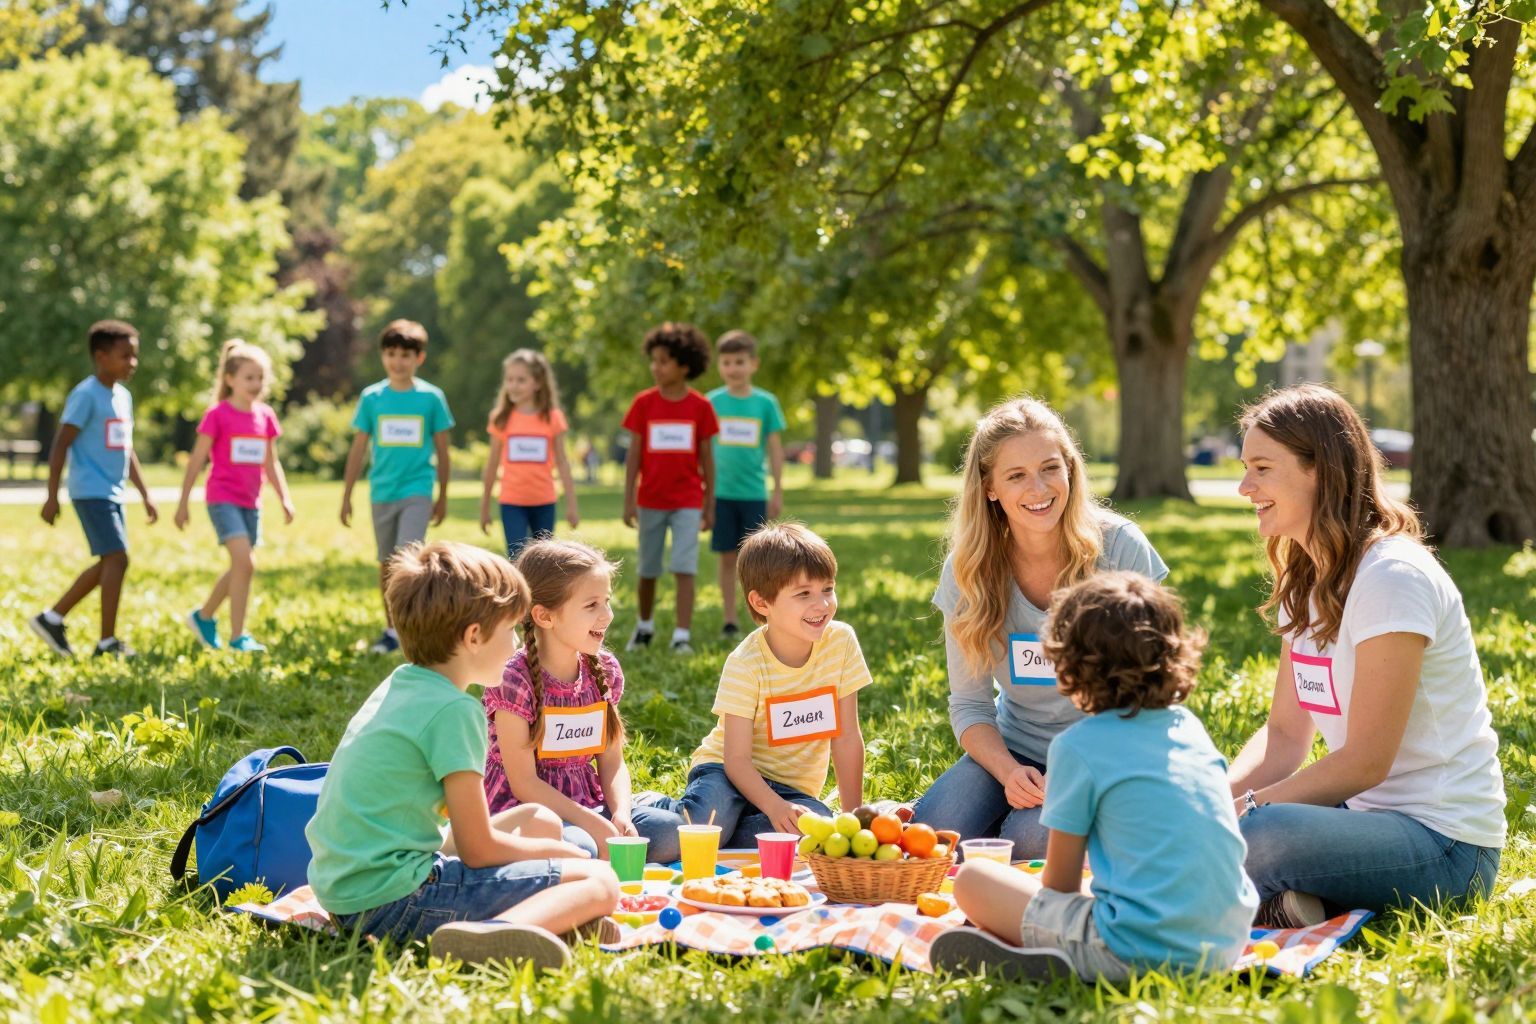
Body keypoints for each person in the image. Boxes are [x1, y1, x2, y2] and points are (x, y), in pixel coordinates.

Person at [1228, 384, 1505, 926]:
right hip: (1364, 819)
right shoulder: (1308, 580)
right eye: (1245, 469)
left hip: (1448, 847)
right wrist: (1213, 803)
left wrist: (1248, 811)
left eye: (1262, 468)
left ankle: (1246, 897)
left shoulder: (1391, 577)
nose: (1245, 487)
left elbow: (1366, 761)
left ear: (1320, 470)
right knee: (1222, 814)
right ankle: (1286, 904)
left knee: (1260, 832)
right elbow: (1283, 736)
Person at [305, 541, 619, 970]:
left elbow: (452, 836)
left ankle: (550, 920)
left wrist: (548, 852)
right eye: (510, 630)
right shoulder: (455, 711)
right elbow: (477, 849)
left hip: (346, 891)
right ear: (474, 637)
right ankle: (489, 936)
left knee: (538, 820)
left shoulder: (404, 683)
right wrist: (565, 858)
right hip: (395, 901)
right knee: (599, 881)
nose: (516, 644)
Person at [932, 572, 1258, 981]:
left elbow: (1060, 888)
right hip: (1225, 942)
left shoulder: (1077, 746)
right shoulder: (1189, 728)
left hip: (1133, 951)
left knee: (973, 880)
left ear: (1069, 666)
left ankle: (1055, 961)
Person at [911, 397, 1168, 858]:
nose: (1039, 488)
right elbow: (969, 704)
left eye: (1050, 468)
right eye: (1016, 475)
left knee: (1028, 842)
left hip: (1108, 752)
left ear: (1070, 469)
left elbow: (1153, 694)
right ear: (990, 488)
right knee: (930, 836)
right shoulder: (968, 571)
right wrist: (1008, 772)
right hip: (1015, 748)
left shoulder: (1121, 549)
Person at [650, 522, 869, 848]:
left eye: (827, 589)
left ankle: (727, 831)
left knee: (815, 830)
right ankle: (652, 808)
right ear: (762, 602)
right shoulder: (746, 663)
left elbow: (847, 737)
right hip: (725, 773)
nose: (822, 604)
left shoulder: (841, 642)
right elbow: (736, 760)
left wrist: (853, 821)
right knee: (691, 833)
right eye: (803, 594)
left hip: (792, 790)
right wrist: (772, 806)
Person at [482, 539, 685, 862]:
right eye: (592, 606)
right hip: (530, 812)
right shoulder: (514, 680)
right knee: (583, 848)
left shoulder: (603, 669)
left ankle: (620, 825)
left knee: (671, 832)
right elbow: (523, 783)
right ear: (544, 616)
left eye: (607, 602)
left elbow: (612, 761)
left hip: (589, 803)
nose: (607, 615)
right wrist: (592, 823)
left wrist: (621, 814)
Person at [30, 320, 158, 659]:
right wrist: (51, 495)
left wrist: (145, 494)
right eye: (125, 356)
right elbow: (61, 444)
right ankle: (106, 642)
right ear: (101, 357)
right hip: (90, 490)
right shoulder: (86, 395)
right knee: (118, 558)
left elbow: (127, 449)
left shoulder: (123, 397)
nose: (133, 362)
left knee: (111, 562)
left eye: (134, 355)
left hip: (113, 492)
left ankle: (53, 619)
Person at [340, 320, 455, 655]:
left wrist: (442, 495)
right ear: (382, 356)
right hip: (381, 491)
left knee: (409, 558)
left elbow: (443, 451)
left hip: (417, 489)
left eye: (405, 355)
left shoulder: (431, 398)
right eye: (391, 353)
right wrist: (346, 495)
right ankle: (391, 629)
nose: (397, 361)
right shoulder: (372, 398)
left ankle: (415, 629)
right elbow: (358, 449)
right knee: (387, 563)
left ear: (419, 358)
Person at [174, 340, 295, 653]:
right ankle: (238, 636)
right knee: (245, 562)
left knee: (241, 566)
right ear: (230, 379)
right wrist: (183, 503)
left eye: (260, 378)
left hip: (251, 502)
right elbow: (197, 460)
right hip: (222, 498)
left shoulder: (265, 416)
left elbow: (271, 463)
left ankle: (204, 617)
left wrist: (284, 498)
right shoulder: (218, 415)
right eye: (249, 378)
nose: (256, 384)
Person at [620, 322, 719, 654]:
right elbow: (634, 456)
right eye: (654, 360)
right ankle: (644, 627)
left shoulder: (701, 407)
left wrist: (709, 505)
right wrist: (629, 500)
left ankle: (681, 635)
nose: (656, 367)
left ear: (685, 366)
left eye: (664, 361)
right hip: (650, 500)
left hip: (688, 500)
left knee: (684, 566)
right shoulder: (643, 404)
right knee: (647, 568)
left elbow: (707, 459)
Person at [707, 329, 787, 639]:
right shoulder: (712, 402)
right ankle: (729, 619)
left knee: (758, 561)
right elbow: (703, 450)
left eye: (739, 362)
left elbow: (775, 449)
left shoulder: (766, 403)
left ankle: (762, 619)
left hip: (754, 493)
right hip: (721, 494)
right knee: (728, 557)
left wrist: (777, 490)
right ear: (719, 365)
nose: (733, 368)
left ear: (754, 364)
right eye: (726, 362)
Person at [479, 349, 579, 560]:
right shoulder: (500, 419)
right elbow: (492, 464)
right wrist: (485, 506)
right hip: (511, 502)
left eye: (521, 380)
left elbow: (562, 462)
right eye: (509, 379)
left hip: (544, 502)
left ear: (538, 383)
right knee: (517, 558)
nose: (513, 385)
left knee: (542, 562)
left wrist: (572, 505)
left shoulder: (553, 418)